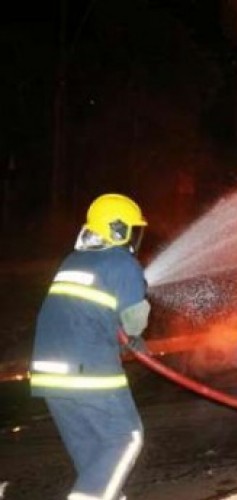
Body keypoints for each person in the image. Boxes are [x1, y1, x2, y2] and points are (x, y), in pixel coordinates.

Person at [30, 193, 151, 500]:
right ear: (119, 229)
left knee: (96, 457)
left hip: (49, 375)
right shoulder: (122, 262)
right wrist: (135, 339)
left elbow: (83, 316)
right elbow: (134, 322)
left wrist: (124, 338)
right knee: (125, 438)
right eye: (132, 230)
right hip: (88, 371)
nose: (135, 238)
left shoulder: (73, 261)